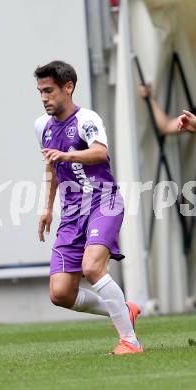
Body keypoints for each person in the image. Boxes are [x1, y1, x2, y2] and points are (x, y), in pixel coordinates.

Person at [34, 60, 143, 355]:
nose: (44, 98)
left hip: (102, 202)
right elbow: (51, 167)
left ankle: (130, 343)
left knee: (92, 267)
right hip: (71, 213)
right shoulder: (41, 127)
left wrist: (66, 157)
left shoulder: (87, 119)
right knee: (60, 294)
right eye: (40, 92)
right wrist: (47, 208)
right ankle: (122, 309)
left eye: (49, 90)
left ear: (68, 87)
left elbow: (100, 153)